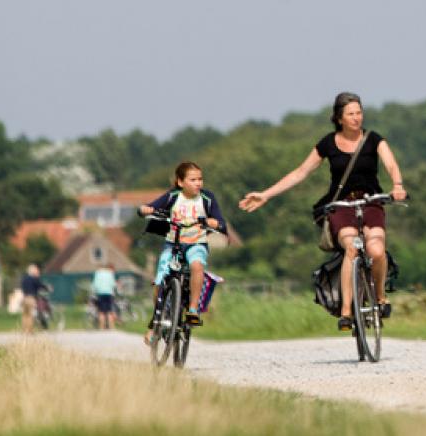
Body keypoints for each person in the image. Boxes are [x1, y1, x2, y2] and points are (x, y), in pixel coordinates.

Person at [240, 92, 407, 332]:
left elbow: (391, 164)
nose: (356, 118)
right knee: (352, 248)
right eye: (350, 114)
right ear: (339, 118)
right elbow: (300, 172)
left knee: (376, 250)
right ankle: (347, 312)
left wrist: (398, 186)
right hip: (341, 206)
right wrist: (266, 194)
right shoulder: (328, 143)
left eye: (359, 112)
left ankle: (380, 297)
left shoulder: (373, 140)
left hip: (371, 202)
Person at [139, 161, 227, 344]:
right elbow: (151, 207)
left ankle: (192, 309)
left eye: (200, 179)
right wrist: (145, 209)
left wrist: (214, 223)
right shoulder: (172, 197)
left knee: (197, 266)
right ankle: (157, 320)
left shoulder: (207, 198)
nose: (198, 183)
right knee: (160, 279)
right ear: (180, 182)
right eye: (193, 179)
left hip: (197, 244)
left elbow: (220, 221)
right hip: (173, 245)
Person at [19, 263, 48, 333]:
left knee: (24, 315)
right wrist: (47, 288)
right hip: (31, 298)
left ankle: (24, 330)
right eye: (35, 270)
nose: (36, 271)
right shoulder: (34, 279)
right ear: (32, 271)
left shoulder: (24, 279)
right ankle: (29, 330)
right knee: (30, 315)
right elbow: (40, 285)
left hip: (24, 298)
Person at [91, 263, 117, 330]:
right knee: (109, 311)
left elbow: (95, 285)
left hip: (100, 293)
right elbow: (113, 284)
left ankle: (101, 327)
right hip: (109, 293)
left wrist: (94, 291)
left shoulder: (98, 273)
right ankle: (111, 327)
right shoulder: (110, 273)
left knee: (101, 311)